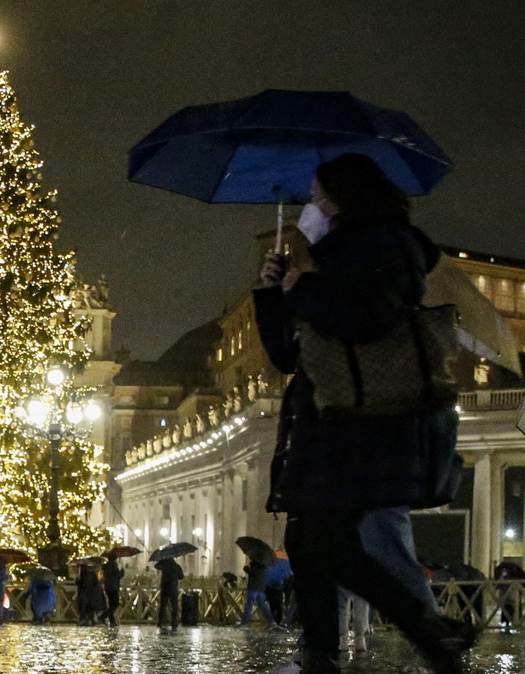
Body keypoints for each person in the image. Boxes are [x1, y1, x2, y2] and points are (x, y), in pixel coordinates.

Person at [255, 153, 478, 674]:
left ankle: (418, 631)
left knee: (320, 540)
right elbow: (293, 355)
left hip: (367, 422)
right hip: (332, 418)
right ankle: (336, 649)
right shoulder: (342, 252)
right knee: (310, 539)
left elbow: (368, 319)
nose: (313, 200)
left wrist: (303, 288)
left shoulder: (386, 243)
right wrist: (273, 295)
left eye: (318, 191)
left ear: (340, 196)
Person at [239, 559, 277, 626]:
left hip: (253, 587)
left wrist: (246, 569)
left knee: (249, 605)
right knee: (263, 605)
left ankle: (244, 622)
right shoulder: (265, 566)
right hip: (261, 588)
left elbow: (253, 574)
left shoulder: (255, 564)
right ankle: (272, 620)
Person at [155, 557, 184, 633]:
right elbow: (181, 576)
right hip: (173, 588)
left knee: (163, 606)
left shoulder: (164, 565)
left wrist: (160, 560)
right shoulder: (176, 566)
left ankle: (160, 622)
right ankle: (174, 622)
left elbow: (156, 566)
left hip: (165, 588)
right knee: (174, 606)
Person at [75, 561, 104, 626]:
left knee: (85, 606)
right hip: (91, 593)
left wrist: (78, 580)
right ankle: (90, 619)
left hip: (85, 593)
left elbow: (82, 584)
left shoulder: (84, 575)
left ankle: (85, 619)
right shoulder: (92, 574)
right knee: (90, 607)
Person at [98, 556, 124, 627]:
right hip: (114, 587)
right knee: (115, 604)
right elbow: (118, 575)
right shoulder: (114, 566)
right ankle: (103, 616)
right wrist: (122, 570)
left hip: (107, 587)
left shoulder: (105, 567)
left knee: (111, 604)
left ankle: (112, 621)